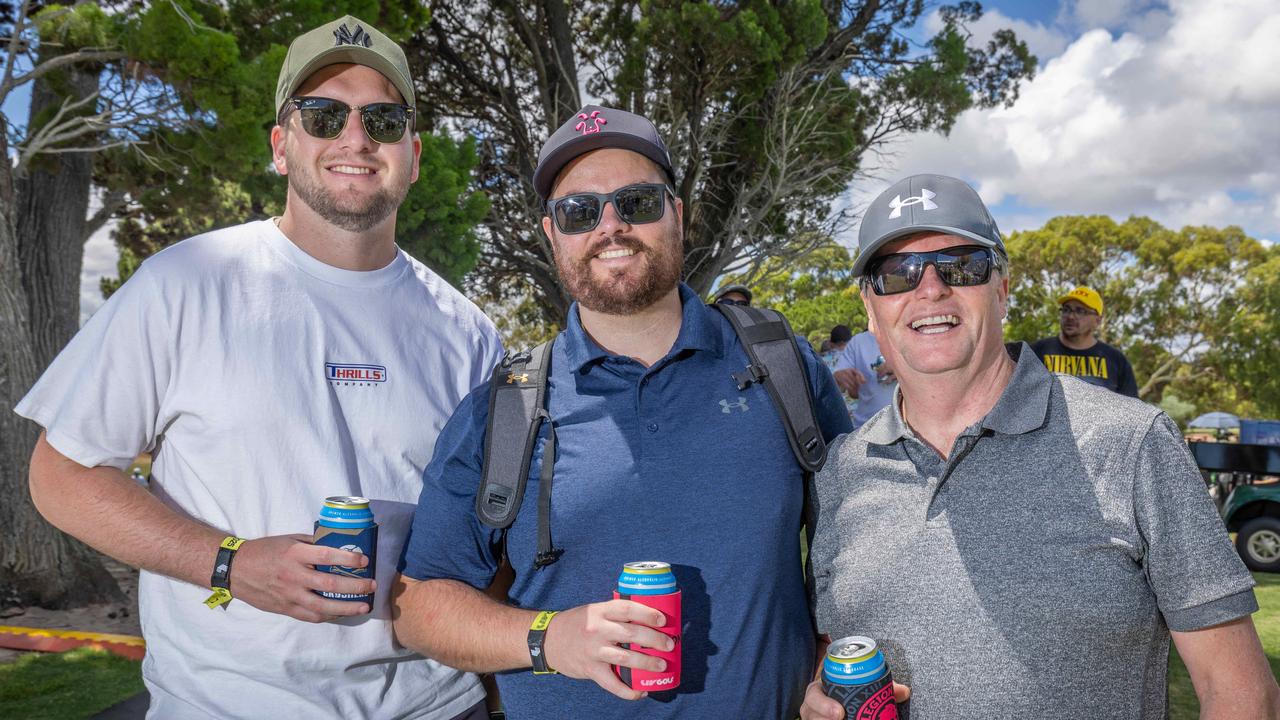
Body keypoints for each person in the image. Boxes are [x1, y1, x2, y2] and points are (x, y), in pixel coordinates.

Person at [16, 16, 503, 720]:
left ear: (414, 155)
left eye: (384, 120)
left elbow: (487, 538)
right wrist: (230, 563)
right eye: (324, 115)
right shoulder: (184, 283)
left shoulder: (468, 334)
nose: (355, 138)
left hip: (433, 704)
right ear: (282, 145)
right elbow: (60, 474)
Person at [392, 105, 852, 719]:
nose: (611, 226)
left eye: (637, 202)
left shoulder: (783, 367)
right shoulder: (502, 407)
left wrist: (832, 656)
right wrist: (550, 638)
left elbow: (860, 538)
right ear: (552, 234)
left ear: (677, 215)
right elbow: (418, 607)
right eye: (579, 212)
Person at [801, 174, 1278, 720]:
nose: (929, 288)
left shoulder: (1131, 443)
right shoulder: (841, 470)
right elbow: (832, 638)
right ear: (870, 309)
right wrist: (817, 692)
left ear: (1001, 289)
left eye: (961, 265)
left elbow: (1240, 694)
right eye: (896, 273)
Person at [1030, 286, 1139, 397]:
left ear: (1098, 320)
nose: (1070, 316)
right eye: (1066, 309)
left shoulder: (1116, 360)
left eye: (1080, 311)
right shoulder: (1036, 352)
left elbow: (1132, 408)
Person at [831, 329, 896, 429]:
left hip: (907, 425)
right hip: (866, 425)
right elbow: (852, 393)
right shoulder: (858, 342)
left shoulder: (913, 336)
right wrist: (842, 377)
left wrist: (902, 369)